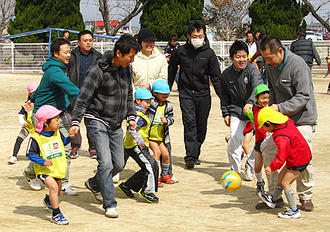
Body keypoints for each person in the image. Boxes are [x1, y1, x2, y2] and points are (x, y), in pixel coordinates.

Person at [69, 34, 140, 218]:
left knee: (118, 163)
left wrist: (131, 116)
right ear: (118, 53)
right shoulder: (97, 71)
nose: (132, 60)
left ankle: (94, 184)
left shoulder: (126, 69)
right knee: (106, 164)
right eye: (130, 56)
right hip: (97, 120)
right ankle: (110, 204)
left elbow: (129, 97)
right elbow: (83, 98)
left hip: (116, 124)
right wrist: (76, 121)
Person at [259, 35, 317, 211]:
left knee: (302, 154)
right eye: (265, 59)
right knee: (267, 148)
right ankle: (274, 195)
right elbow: (274, 93)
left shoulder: (298, 65)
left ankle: (305, 196)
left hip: (302, 119)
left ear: (280, 51)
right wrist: (271, 115)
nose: (268, 62)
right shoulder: (271, 67)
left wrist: (280, 109)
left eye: (269, 58)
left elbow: (303, 96)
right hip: (281, 121)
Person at [23, 38, 80, 195]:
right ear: (56, 53)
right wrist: (89, 99)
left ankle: (64, 182)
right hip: (44, 117)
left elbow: (42, 87)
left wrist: (32, 100)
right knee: (48, 150)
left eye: (70, 52)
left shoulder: (57, 68)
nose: (69, 55)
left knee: (63, 149)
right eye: (65, 52)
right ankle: (30, 172)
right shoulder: (55, 71)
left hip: (58, 114)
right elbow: (72, 90)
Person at [168, 20, 223, 169]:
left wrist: (222, 96)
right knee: (189, 123)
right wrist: (167, 87)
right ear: (189, 36)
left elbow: (216, 77)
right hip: (186, 93)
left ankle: (195, 151)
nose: (197, 38)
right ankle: (190, 157)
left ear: (204, 35)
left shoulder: (209, 54)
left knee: (201, 126)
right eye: (194, 35)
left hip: (203, 94)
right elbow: (172, 69)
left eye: (200, 35)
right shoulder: (181, 51)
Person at [257, 107, 312, 219]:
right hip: (299, 155)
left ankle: (293, 210)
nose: (264, 129)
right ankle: (273, 199)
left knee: (286, 183)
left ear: (269, 124)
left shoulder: (281, 137)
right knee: (281, 178)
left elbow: (281, 156)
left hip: (298, 160)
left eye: (264, 126)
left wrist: (272, 167)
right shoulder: (286, 122)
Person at [218, 41, 262, 177]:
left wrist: (250, 102)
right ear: (231, 58)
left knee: (262, 142)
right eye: (238, 57)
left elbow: (257, 86)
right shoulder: (226, 74)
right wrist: (225, 113)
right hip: (236, 110)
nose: (241, 60)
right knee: (234, 141)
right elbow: (223, 96)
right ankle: (235, 171)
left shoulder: (252, 69)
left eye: (244, 56)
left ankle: (251, 165)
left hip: (254, 110)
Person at [26, 105, 74, 225]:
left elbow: (62, 142)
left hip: (57, 169)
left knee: (57, 193)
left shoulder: (57, 133)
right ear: (46, 123)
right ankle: (56, 214)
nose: (59, 122)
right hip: (44, 171)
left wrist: (70, 138)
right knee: (53, 187)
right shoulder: (36, 137)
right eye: (56, 120)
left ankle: (48, 200)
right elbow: (29, 153)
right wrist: (42, 161)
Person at [118, 88, 159, 203]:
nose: (148, 104)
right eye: (146, 102)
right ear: (138, 100)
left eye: (150, 102)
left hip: (134, 145)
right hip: (136, 145)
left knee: (148, 166)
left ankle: (127, 186)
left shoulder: (140, 112)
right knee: (151, 165)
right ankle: (147, 191)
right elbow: (132, 129)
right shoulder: (138, 115)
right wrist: (140, 141)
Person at [68, 30, 103, 159]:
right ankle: (75, 147)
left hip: (92, 96)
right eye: (85, 40)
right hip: (75, 95)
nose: (88, 43)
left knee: (92, 122)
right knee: (74, 121)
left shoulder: (98, 56)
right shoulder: (72, 56)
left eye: (90, 40)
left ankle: (93, 148)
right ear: (78, 42)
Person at [148, 80, 176, 185]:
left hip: (161, 136)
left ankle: (164, 175)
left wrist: (167, 121)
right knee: (157, 153)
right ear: (155, 93)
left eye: (167, 93)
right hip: (150, 136)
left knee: (166, 155)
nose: (165, 95)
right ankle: (154, 176)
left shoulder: (168, 105)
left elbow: (172, 118)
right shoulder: (151, 102)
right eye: (162, 93)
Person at [245, 84, 270, 195]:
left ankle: (274, 189)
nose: (265, 100)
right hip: (259, 142)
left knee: (270, 167)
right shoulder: (254, 109)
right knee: (257, 167)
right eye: (263, 98)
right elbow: (253, 121)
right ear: (256, 98)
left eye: (267, 98)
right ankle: (260, 182)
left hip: (269, 142)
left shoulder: (270, 110)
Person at [8, 82, 38, 165]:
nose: (33, 94)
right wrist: (22, 122)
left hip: (38, 127)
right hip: (28, 126)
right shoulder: (27, 103)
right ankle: (14, 156)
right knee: (19, 139)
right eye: (32, 93)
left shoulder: (41, 102)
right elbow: (21, 113)